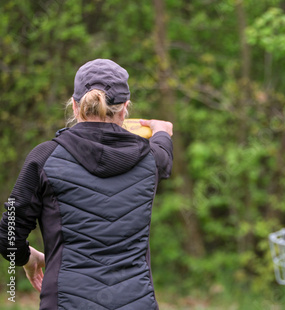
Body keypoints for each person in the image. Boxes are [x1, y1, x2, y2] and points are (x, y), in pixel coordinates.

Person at [0, 59, 173, 310]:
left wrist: (29, 259)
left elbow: (8, 237)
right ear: (125, 109)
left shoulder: (43, 158)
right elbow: (164, 155)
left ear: (74, 105)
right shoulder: (152, 159)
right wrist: (161, 131)